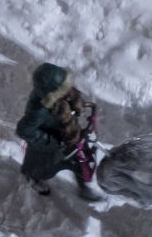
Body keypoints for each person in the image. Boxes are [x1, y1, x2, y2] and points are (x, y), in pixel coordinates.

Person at [15, 62, 101, 201]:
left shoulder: (59, 98)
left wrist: (77, 106)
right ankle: (34, 179)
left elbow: (68, 102)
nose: (67, 89)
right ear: (53, 92)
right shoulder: (38, 111)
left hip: (68, 137)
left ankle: (83, 188)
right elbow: (24, 130)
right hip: (50, 147)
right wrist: (51, 142)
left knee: (79, 161)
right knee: (42, 169)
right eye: (62, 88)